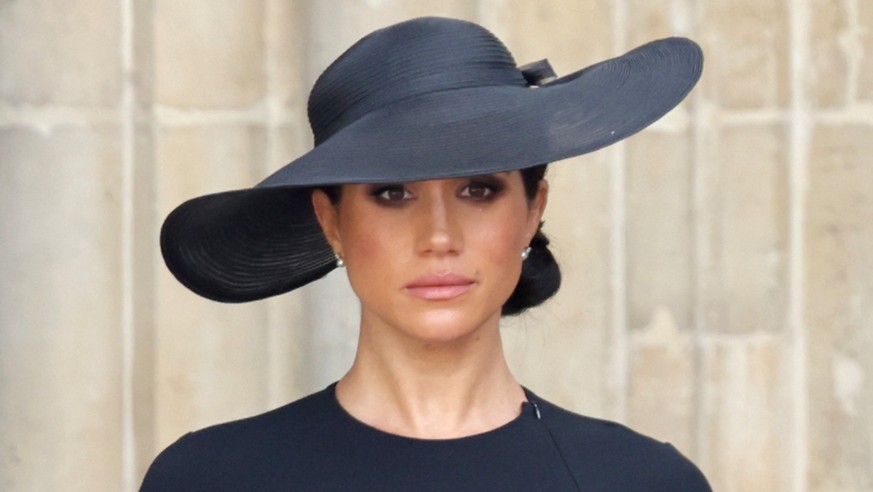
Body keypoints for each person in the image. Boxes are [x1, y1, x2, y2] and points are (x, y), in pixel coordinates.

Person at [142, 16, 709, 491]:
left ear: (533, 210)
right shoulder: (209, 478)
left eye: (478, 189)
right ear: (331, 221)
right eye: (393, 193)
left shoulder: (642, 480)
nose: (439, 236)